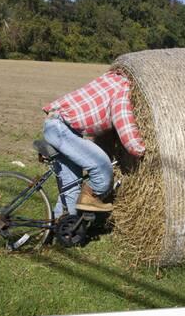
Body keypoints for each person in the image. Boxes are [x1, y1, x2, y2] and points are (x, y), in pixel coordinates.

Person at [41, 69, 146, 219]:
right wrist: (142, 151)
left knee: (71, 187)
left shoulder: (110, 79)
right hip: (61, 128)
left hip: (55, 125)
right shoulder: (122, 90)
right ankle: (88, 197)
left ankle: (61, 227)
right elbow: (125, 127)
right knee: (102, 167)